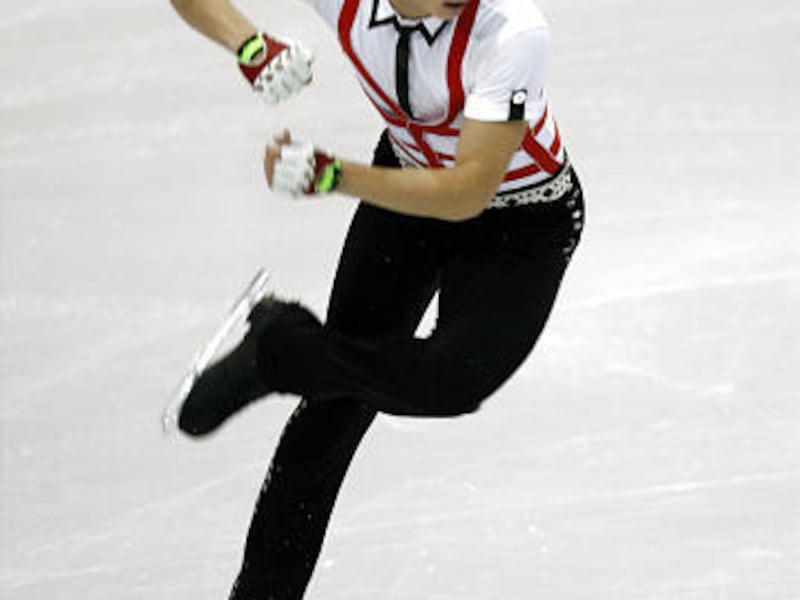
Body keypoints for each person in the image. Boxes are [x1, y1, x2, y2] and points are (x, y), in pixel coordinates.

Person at [168, 0, 585, 597]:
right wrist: (250, 46)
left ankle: (279, 347)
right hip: (410, 190)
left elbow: (468, 192)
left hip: (521, 223)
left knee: (451, 379)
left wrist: (334, 176)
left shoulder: (513, 28)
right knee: (333, 407)